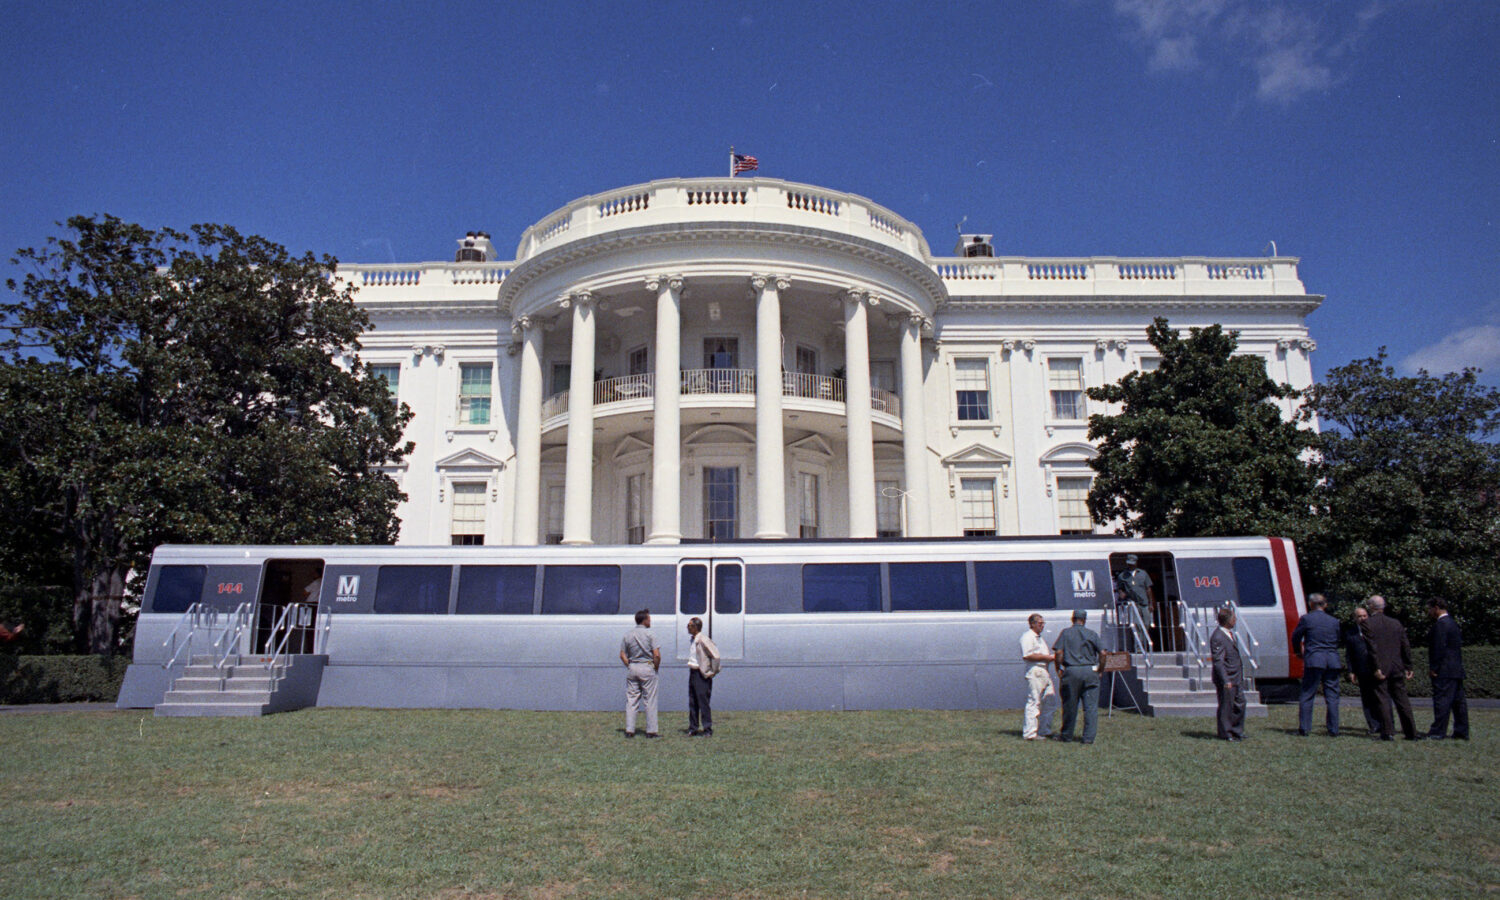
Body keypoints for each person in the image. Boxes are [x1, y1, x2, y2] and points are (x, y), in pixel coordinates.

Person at [1361, 595, 1418, 741]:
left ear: (1371, 607)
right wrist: (1408, 665)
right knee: (1402, 700)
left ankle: (1387, 732)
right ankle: (1411, 732)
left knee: (1383, 699)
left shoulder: (1368, 624)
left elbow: (1372, 648)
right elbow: (1405, 645)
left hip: (1381, 667)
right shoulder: (1396, 623)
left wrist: (1376, 667)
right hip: (1397, 666)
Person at [1291, 593, 1342, 737]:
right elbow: (1338, 638)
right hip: (1332, 660)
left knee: (1308, 694)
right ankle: (1333, 729)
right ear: (1325, 605)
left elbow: (1295, 636)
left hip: (1314, 659)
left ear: (1310, 604)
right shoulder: (1334, 621)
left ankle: (1305, 728)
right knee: (1332, 696)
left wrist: (1298, 651)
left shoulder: (1307, 619)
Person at [1053, 609, 1105, 744]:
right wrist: (1100, 669)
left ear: (1072, 619)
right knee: (1091, 707)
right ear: (1085, 620)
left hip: (1072, 671)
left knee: (1070, 705)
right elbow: (1103, 653)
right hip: (1089, 671)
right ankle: (1088, 738)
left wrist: (1058, 667)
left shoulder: (1066, 633)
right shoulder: (1092, 634)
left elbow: (1058, 652)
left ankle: (1066, 735)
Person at [1425, 598, 1469, 741]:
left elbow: (1439, 648)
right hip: (1456, 669)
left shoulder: (1440, 625)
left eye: (1430, 609)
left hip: (1444, 670)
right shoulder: (1453, 624)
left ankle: (1438, 731)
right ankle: (1461, 731)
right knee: (1458, 703)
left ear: (1436, 608)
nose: (1429, 612)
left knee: (1442, 701)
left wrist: (1434, 668)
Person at [619, 608, 661, 738]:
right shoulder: (650, 635)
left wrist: (629, 665)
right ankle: (651, 731)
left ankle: (630, 730)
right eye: (649, 619)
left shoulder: (628, 635)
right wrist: (655, 667)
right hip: (647, 667)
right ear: (644, 620)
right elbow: (657, 655)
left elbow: (622, 654)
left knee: (631, 700)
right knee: (650, 700)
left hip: (633, 667)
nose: (650, 621)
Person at [1343, 607, 1382, 736]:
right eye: (1359, 616)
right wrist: (1351, 671)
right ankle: (1373, 725)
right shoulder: (1351, 633)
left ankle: (1385, 724)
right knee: (1367, 699)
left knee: (1381, 698)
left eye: (1365, 616)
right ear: (1355, 619)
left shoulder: (1376, 630)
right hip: (1362, 671)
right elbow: (1349, 654)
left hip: (1377, 670)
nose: (1362, 618)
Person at [1019, 613, 1058, 740]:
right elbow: (1028, 655)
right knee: (1034, 701)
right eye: (1040, 623)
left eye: (1043, 624)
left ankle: (1045, 730)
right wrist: (1048, 657)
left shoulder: (1040, 638)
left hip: (1044, 670)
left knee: (1050, 700)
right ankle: (1030, 733)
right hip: (1035, 670)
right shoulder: (1027, 637)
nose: (1042, 626)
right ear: (1032, 624)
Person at [1210, 606, 1246, 742]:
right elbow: (1218, 661)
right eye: (1233, 618)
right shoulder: (1218, 637)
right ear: (1227, 620)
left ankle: (1237, 730)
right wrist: (1225, 680)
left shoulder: (1229, 634)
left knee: (1240, 702)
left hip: (1236, 676)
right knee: (1226, 706)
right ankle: (1226, 733)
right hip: (1228, 678)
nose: (1235, 620)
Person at [686, 616, 720, 737]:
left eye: (689, 625)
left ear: (696, 627)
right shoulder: (693, 639)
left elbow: (715, 655)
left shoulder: (703, 639)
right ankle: (693, 727)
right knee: (693, 701)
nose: (687, 628)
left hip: (701, 674)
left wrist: (712, 671)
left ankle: (707, 728)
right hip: (693, 672)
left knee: (703, 701)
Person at [1115, 554, 1154, 651]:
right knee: (1137, 625)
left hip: (1144, 603)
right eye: (1129, 563)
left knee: (1146, 624)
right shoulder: (1122, 576)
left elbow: (1148, 589)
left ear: (1136, 563)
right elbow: (1120, 588)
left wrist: (1151, 603)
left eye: (1132, 563)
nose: (1131, 565)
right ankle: (1139, 647)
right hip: (1133, 604)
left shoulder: (1143, 574)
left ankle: (1144, 644)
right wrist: (1121, 593)